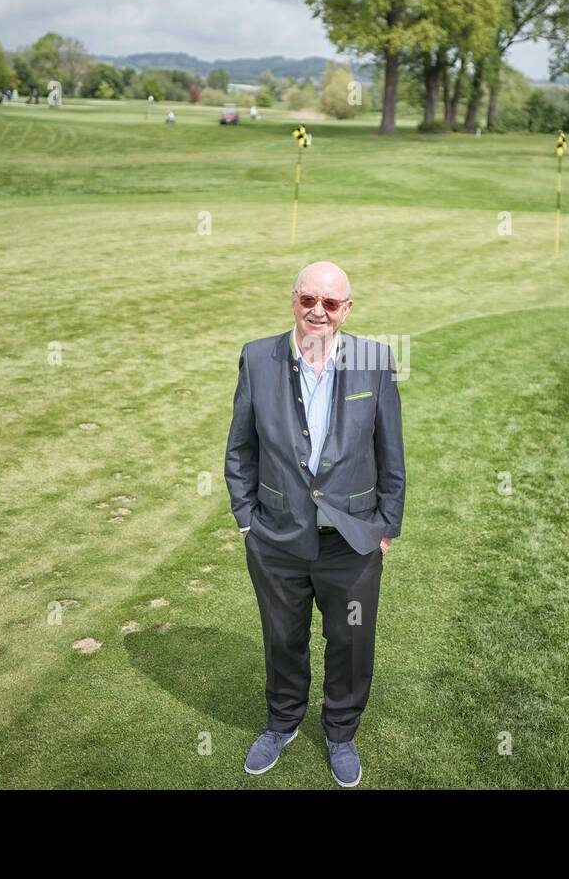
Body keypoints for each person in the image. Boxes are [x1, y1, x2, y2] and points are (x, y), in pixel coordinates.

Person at [225, 261, 406, 787]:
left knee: (350, 639)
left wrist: (386, 525)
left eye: (331, 303)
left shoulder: (374, 360)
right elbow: (240, 449)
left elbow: (390, 451)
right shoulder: (258, 356)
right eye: (309, 300)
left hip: (352, 539)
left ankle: (341, 733)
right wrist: (245, 520)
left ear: (347, 309)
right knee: (282, 636)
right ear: (294, 300)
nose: (318, 311)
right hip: (277, 536)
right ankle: (282, 723)